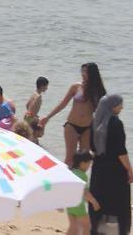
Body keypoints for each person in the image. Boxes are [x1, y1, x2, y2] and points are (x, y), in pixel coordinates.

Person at [40, 63, 108, 166]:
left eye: (85, 71)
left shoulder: (98, 90)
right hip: (72, 125)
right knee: (69, 159)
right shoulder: (76, 87)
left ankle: (81, 181)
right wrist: (48, 117)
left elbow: (103, 111)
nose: (83, 74)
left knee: (84, 160)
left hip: (87, 128)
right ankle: (65, 181)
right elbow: (63, 104)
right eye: (82, 71)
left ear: (92, 73)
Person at [89, 95, 131, 235]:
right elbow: (121, 152)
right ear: (112, 106)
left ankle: (98, 230)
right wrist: (129, 170)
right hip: (115, 171)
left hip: (98, 170)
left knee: (99, 202)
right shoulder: (116, 123)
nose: (122, 107)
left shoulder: (94, 122)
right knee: (117, 204)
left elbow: (92, 148)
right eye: (120, 104)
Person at [67, 152, 97, 235]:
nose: (89, 166)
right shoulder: (82, 175)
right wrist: (94, 202)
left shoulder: (71, 172)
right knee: (86, 226)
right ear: (82, 163)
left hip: (69, 205)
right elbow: (85, 192)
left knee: (73, 227)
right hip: (78, 206)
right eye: (89, 164)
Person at [25, 76, 49, 143]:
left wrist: (32, 114)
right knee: (37, 136)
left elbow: (27, 105)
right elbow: (32, 108)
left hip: (27, 117)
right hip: (31, 119)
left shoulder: (34, 94)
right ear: (42, 86)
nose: (47, 88)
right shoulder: (39, 97)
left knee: (29, 137)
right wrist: (34, 116)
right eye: (46, 86)